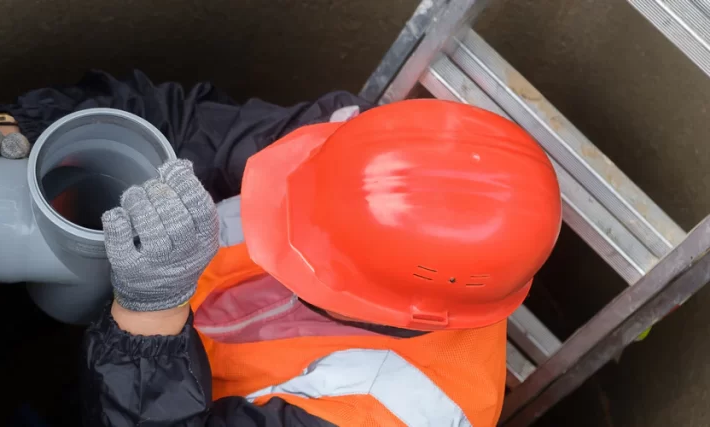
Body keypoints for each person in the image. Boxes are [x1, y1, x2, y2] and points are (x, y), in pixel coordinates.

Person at [81, 99, 563, 426]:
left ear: (393, 310)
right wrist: (49, 117)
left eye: (314, 257)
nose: (286, 239)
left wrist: (151, 317)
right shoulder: (358, 148)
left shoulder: (395, 412)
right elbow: (187, 121)